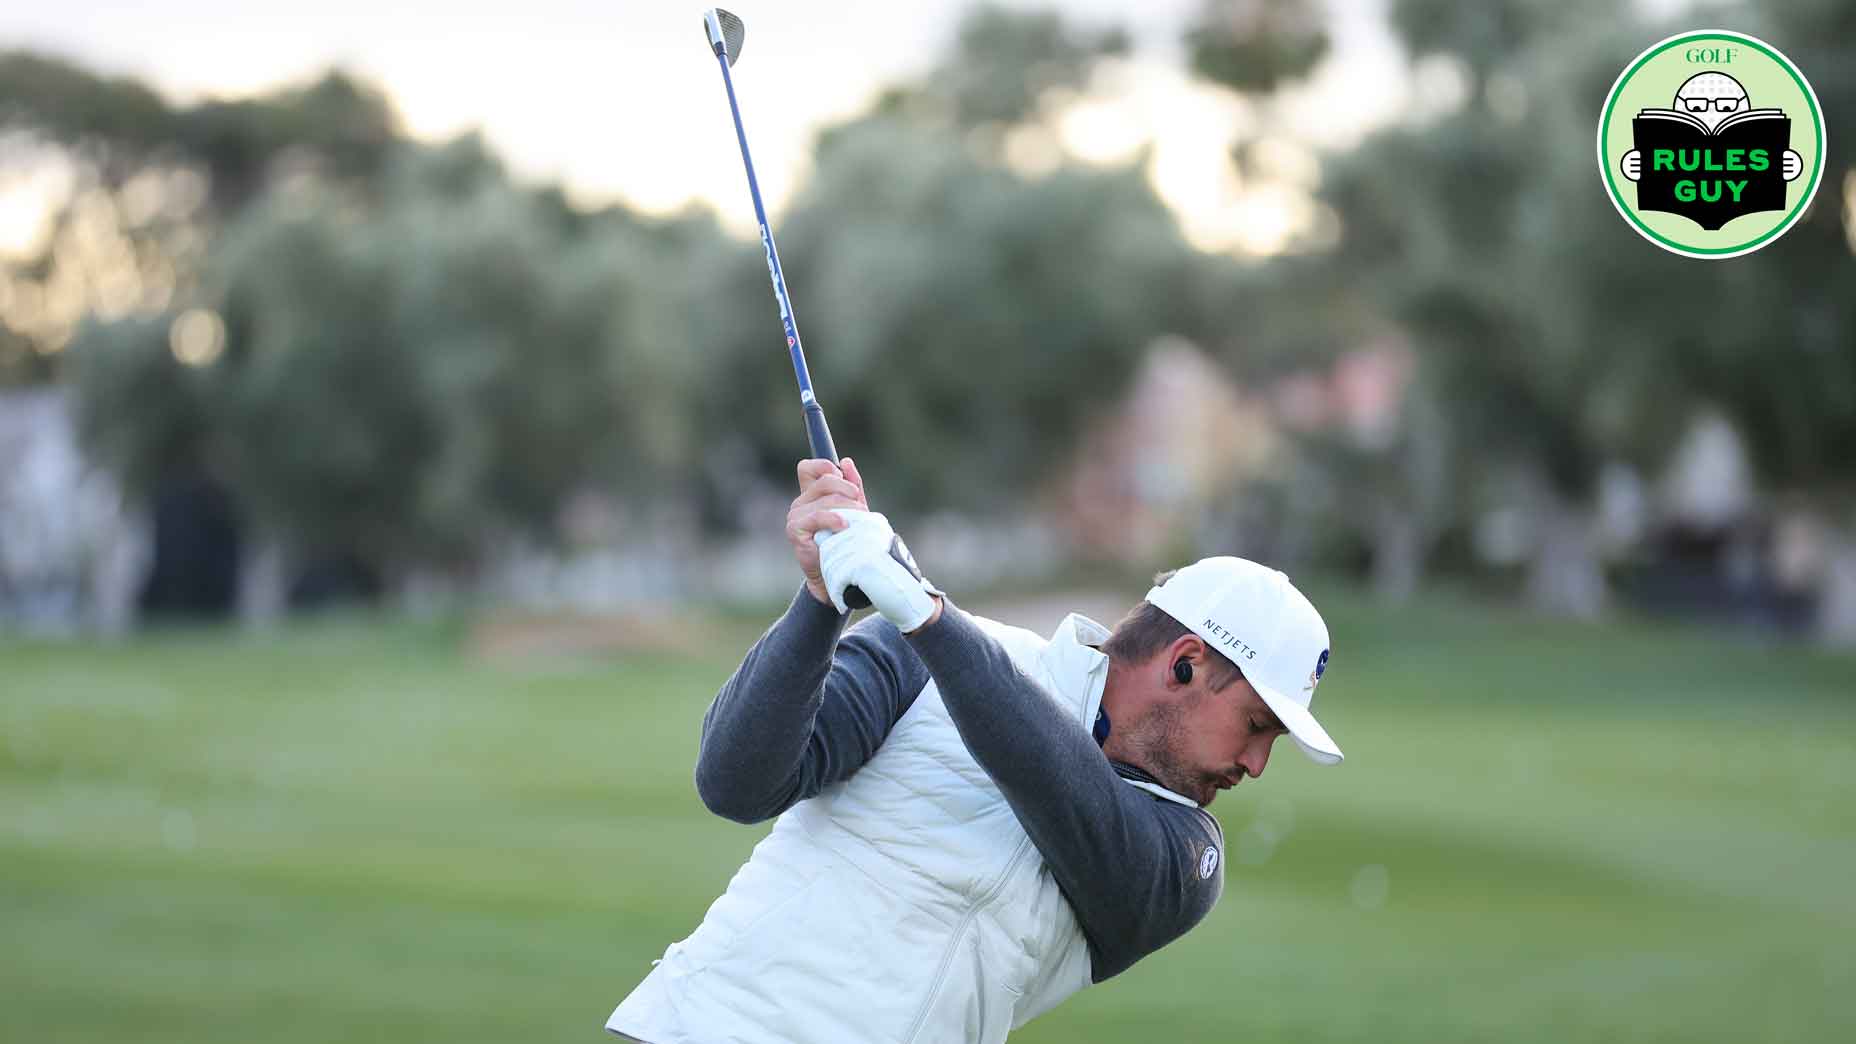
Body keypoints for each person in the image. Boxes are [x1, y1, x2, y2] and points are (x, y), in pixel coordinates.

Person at [605, 458, 1344, 1044]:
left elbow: (1065, 789)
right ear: (1184, 662)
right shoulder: (916, 657)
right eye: (1254, 725)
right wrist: (824, 598)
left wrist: (929, 616)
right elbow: (735, 784)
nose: (1255, 766)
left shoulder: (1184, 856)